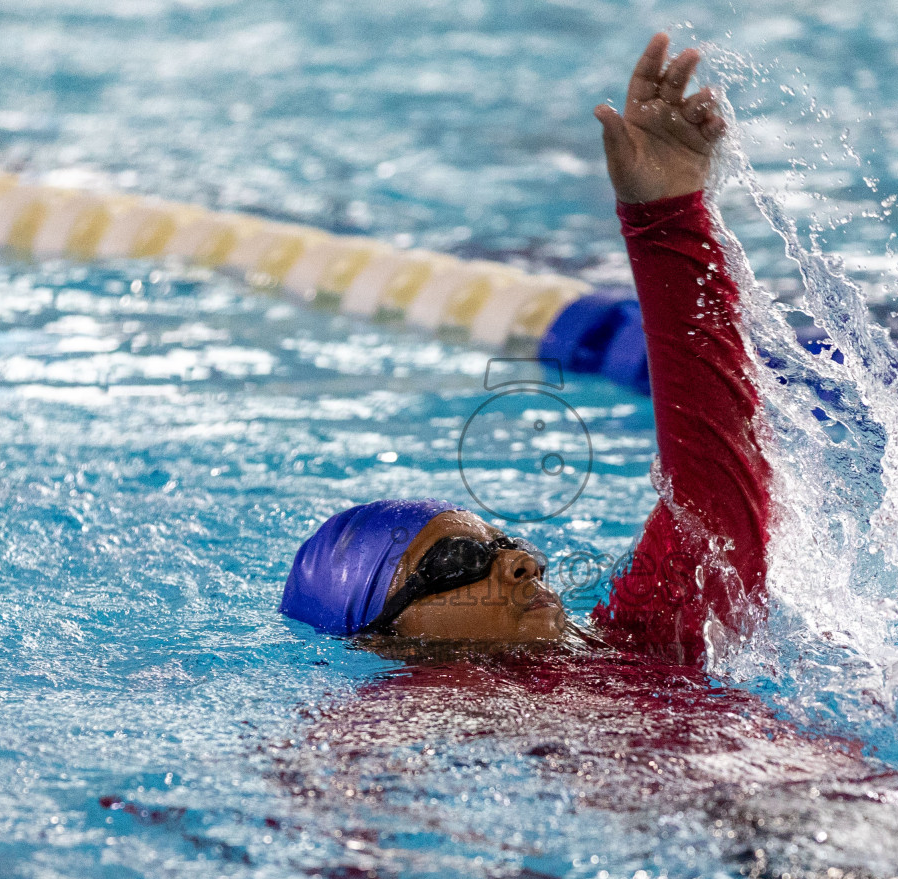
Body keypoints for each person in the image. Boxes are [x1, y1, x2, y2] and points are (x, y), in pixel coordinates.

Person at [280, 33, 768, 668]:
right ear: (379, 635)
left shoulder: (635, 643)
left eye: (502, 542)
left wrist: (668, 211)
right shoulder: (401, 723)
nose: (520, 563)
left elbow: (715, 488)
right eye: (456, 563)